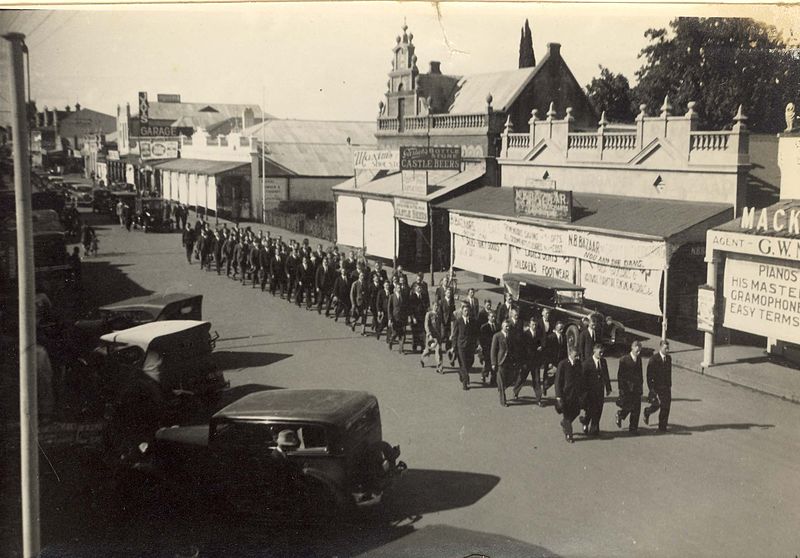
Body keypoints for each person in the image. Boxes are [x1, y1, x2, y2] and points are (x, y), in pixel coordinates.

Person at [581, 343, 612, 437]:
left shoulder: (603, 362)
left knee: (599, 409)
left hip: (600, 390)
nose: (601, 354)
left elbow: (606, 375)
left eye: (602, 352)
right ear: (594, 351)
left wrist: (608, 387)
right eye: (599, 352)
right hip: (590, 391)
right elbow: (582, 378)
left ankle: (594, 429)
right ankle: (585, 421)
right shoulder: (587, 363)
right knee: (591, 409)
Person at [513, 315, 544, 405]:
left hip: (535, 361)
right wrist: (523, 361)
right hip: (527, 361)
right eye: (533, 325)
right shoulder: (525, 334)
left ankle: (538, 399)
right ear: (530, 325)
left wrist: (540, 347)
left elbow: (540, 343)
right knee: (522, 377)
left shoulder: (538, 333)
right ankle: (516, 391)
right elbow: (522, 349)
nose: (534, 326)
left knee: (537, 380)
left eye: (535, 325)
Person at [615, 340, 644, 435]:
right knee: (628, 406)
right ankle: (620, 414)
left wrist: (641, 385)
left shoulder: (639, 359)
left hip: (637, 387)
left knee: (637, 408)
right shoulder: (624, 360)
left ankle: (633, 428)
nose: (638, 353)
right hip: (627, 388)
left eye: (639, 351)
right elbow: (620, 376)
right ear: (632, 348)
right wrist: (621, 389)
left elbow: (640, 373)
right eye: (637, 351)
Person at [555, 347, 584, 443]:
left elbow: (580, 378)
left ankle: (565, 424)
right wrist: (558, 396)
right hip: (565, 395)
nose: (577, 357)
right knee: (567, 415)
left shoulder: (578, 364)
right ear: (570, 354)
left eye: (578, 356)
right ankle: (569, 435)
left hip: (575, 394)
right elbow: (558, 381)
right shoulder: (562, 364)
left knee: (576, 411)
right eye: (575, 356)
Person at [645, 340, 672, 432]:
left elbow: (669, 373)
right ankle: (647, 412)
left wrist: (669, 384)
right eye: (665, 348)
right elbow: (649, 375)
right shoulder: (654, 359)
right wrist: (651, 389)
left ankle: (662, 426)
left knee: (666, 406)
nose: (667, 350)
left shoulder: (669, 359)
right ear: (660, 347)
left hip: (666, 387)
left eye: (668, 348)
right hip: (657, 386)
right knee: (657, 405)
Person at [451, 305, 479, 391]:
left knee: (470, 362)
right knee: (463, 364)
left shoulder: (473, 321)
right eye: (465, 311)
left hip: (470, 346)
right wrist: (453, 346)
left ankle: (461, 373)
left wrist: (476, 344)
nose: (467, 312)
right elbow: (455, 335)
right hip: (461, 346)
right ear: (462, 312)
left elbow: (475, 333)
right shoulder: (458, 321)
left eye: (468, 311)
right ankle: (465, 382)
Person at [491, 320, 512, 407]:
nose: (508, 328)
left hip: (509, 361)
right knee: (502, 381)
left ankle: (501, 388)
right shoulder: (497, 336)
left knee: (509, 379)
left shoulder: (510, 336)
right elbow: (493, 350)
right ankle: (503, 401)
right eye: (506, 326)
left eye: (508, 326)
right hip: (500, 361)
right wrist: (493, 362)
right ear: (502, 326)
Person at [421, 300, 446, 373]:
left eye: (437, 306)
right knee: (428, 351)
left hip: (438, 337)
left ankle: (439, 367)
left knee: (439, 350)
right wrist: (429, 334)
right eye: (435, 306)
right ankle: (422, 359)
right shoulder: (428, 314)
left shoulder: (439, 314)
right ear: (432, 306)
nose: (436, 307)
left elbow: (441, 325)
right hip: (431, 336)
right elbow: (426, 325)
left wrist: (442, 334)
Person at [387, 280, 408, 353]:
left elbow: (406, 307)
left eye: (400, 288)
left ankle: (401, 349)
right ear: (395, 288)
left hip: (402, 318)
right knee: (395, 333)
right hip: (395, 318)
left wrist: (407, 317)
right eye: (398, 288)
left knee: (402, 335)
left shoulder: (404, 296)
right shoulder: (392, 296)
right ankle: (391, 341)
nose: (400, 289)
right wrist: (390, 319)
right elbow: (389, 308)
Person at [479, 311, 499, 385]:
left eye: (494, 317)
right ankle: (484, 374)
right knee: (488, 363)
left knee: (494, 363)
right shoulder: (484, 327)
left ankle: (493, 380)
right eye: (491, 317)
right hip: (487, 348)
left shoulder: (497, 326)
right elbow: (482, 338)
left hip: (495, 348)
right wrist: (483, 347)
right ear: (488, 317)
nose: (493, 318)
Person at [409, 283, 427, 352]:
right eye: (418, 288)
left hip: (422, 317)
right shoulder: (412, 297)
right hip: (415, 318)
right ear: (415, 289)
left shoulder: (423, 296)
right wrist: (413, 317)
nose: (420, 289)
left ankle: (423, 347)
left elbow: (425, 305)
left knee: (422, 332)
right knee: (415, 333)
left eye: (420, 288)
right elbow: (411, 308)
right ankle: (414, 347)